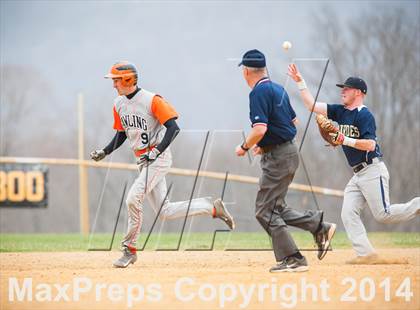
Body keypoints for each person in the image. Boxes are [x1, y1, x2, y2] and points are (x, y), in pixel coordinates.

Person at [91, 61, 235, 268]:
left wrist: (156, 151)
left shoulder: (152, 100)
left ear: (128, 79)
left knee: (133, 199)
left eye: (116, 80)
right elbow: (121, 134)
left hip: (158, 158)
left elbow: (173, 128)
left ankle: (129, 249)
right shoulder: (119, 104)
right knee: (165, 212)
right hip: (143, 160)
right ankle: (211, 208)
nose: (113, 84)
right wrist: (105, 151)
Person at [288, 63, 420, 264]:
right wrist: (300, 82)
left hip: (372, 170)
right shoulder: (341, 111)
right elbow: (312, 106)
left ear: (358, 93)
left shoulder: (364, 115)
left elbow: (370, 144)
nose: (343, 91)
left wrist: (344, 140)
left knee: (383, 215)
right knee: (348, 213)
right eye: (342, 89)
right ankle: (366, 254)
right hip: (358, 175)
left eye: (347, 89)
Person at [235, 50, 336, 273]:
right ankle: (319, 226)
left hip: (279, 156)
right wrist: (267, 143)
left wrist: (245, 147)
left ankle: (294, 258)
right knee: (276, 208)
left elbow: (259, 128)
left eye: (243, 70)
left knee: (264, 211)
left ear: (246, 71)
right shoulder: (277, 88)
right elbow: (293, 121)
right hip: (287, 151)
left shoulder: (258, 93)